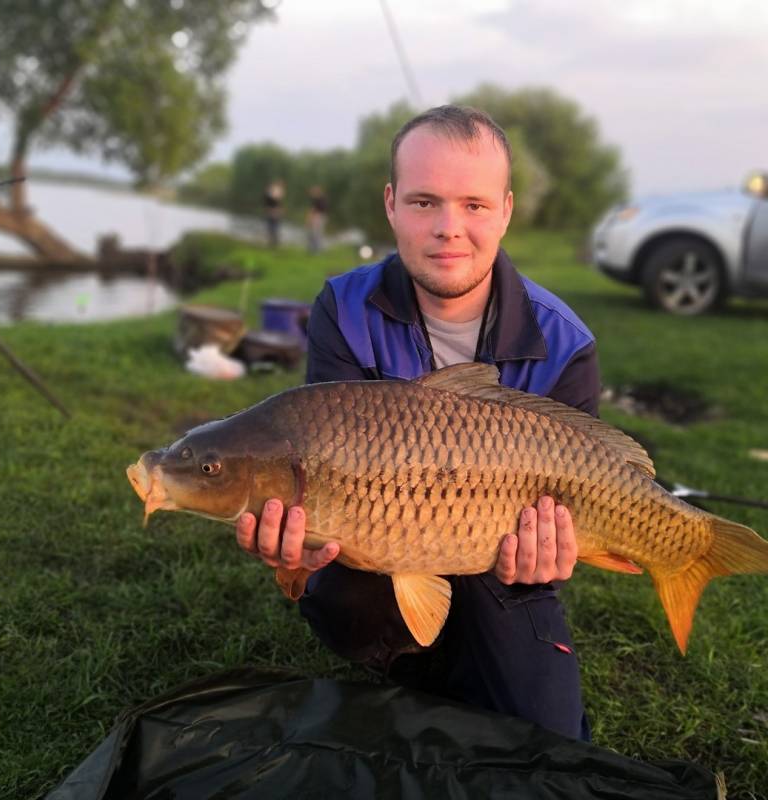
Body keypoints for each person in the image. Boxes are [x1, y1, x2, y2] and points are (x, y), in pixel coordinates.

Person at [236, 106, 600, 741]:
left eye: (475, 206)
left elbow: (578, 504)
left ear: (507, 210)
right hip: (379, 548)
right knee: (343, 596)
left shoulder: (566, 343)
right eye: (425, 202)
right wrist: (292, 535)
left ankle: (459, 655)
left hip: (502, 563)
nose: (448, 229)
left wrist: (551, 555)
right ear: (391, 205)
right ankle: (406, 655)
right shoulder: (342, 308)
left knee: (550, 734)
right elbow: (320, 452)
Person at [306, 185, 328, 253]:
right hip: (320, 216)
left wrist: (309, 218)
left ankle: (315, 249)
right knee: (317, 233)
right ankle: (315, 249)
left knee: (316, 234)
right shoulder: (322, 198)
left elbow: (313, 210)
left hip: (317, 217)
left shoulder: (318, 199)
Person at [263, 179, 285, 247]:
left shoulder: (278, 191)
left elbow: (276, 200)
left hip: (274, 210)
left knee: (274, 225)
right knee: (271, 225)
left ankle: (274, 242)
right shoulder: (274, 190)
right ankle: (272, 241)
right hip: (271, 209)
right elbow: (269, 199)